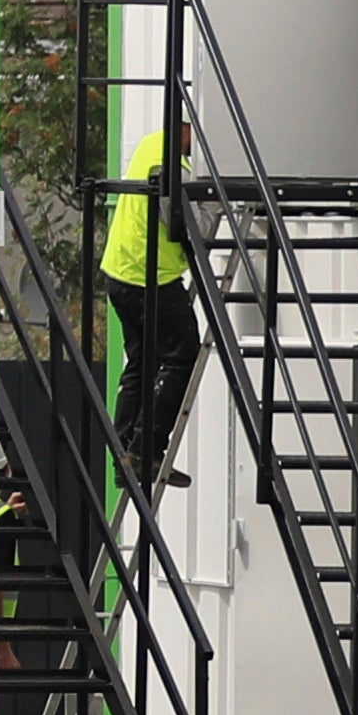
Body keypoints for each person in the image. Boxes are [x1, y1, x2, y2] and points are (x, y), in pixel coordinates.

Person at [101, 114, 203, 510]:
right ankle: (145, 449)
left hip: (120, 271)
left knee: (141, 363)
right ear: (184, 127)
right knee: (182, 356)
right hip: (150, 276)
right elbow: (177, 219)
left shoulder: (150, 143)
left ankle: (124, 453)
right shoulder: (171, 165)